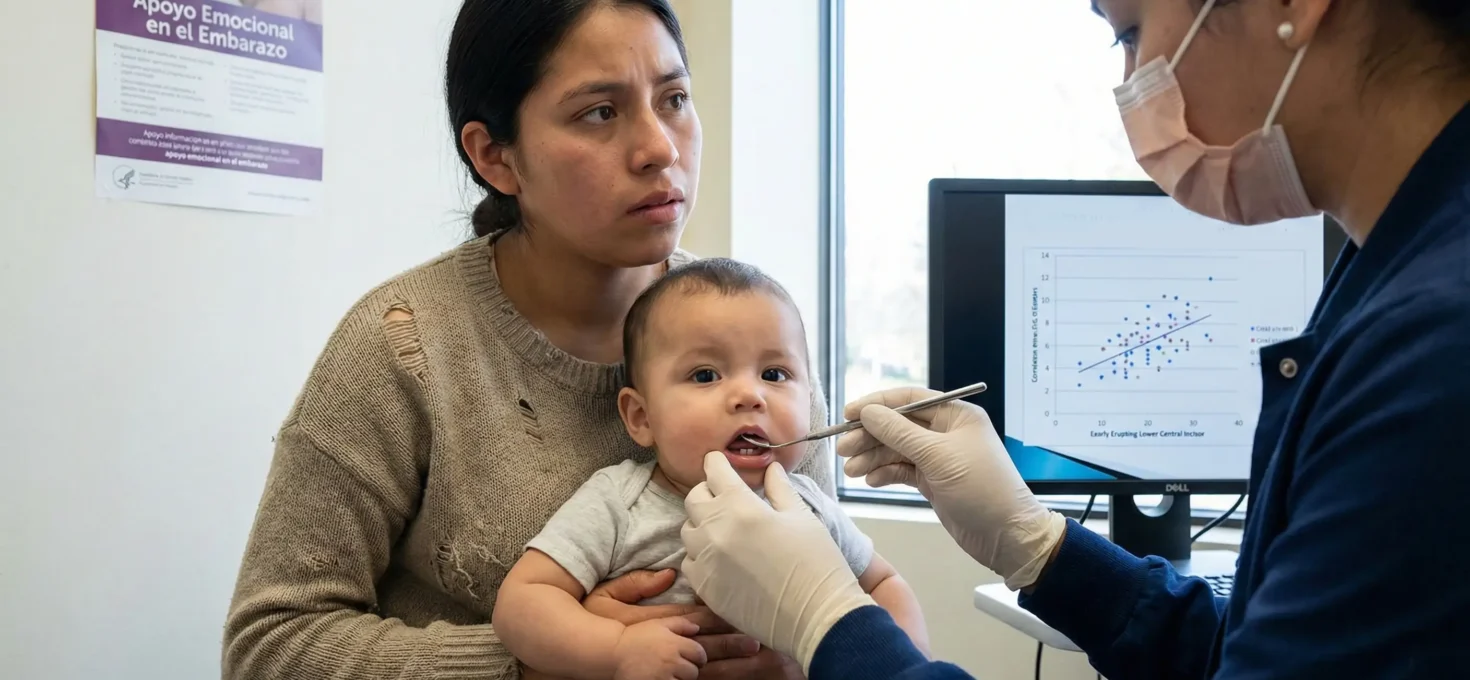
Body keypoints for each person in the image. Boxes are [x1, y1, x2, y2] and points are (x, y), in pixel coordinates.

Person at [680, 0, 1470, 678]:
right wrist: (1041, 547)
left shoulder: (1433, 352)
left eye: (1128, 30)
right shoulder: (1393, 273)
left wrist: (830, 625)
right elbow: (1263, 651)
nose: (1128, 80)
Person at [221, 1, 837, 678]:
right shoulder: (403, 348)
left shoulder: (751, 340)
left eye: (675, 98)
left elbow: (830, 590)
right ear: (495, 156)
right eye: (599, 112)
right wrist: (541, 659)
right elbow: (268, 648)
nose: (660, 147)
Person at [491, 259, 928, 680]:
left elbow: (885, 584)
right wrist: (617, 648)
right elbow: (522, 602)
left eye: (774, 374)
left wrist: (902, 667)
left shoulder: (807, 506)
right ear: (641, 417)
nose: (749, 395)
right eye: (705, 375)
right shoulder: (619, 502)